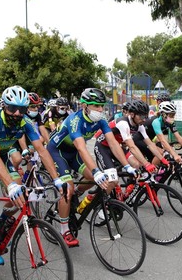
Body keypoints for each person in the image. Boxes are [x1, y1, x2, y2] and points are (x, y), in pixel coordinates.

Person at [0, 85, 69, 267]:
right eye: (12, 108)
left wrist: (57, 179)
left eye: (21, 109)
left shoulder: (26, 123)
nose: (16, 113)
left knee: (21, 192)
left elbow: (42, 152)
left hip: (3, 156)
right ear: (4, 106)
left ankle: (2, 221)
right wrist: (9, 185)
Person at [47, 88, 137, 247]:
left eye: (102, 106)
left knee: (91, 179)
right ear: (84, 105)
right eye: (96, 106)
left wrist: (127, 165)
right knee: (68, 188)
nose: (100, 110)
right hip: (57, 152)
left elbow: (113, 143)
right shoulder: (75, 120)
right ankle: (64, 230)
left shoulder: (101, 120)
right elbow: (82, 148)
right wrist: (96, 171)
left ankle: (77, 193)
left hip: (73, 152)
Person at [94, 99, 168, 175]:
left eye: (146, 116)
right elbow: (132, 147)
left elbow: (150, 144)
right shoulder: (123, 123)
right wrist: (147, 164)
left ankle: (132, 186)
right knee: (112, 179)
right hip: (102, 147)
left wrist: (163, 159)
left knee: (136, 164)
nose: (144, 119)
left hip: (116, 147)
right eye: (142, 116)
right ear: (132, 114)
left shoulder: (139, 125)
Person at [133, 101, 182, 165]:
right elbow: (162, 140)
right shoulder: (156, 122)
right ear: (163, 114)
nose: (172, 117)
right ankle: (153, 172)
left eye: (173, 115)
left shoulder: (169, 122)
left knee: (166, 152)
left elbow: (179, 138)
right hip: (139, 140)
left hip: (148, 140)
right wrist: (175, 155)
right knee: (161, 153)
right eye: (171, 115)